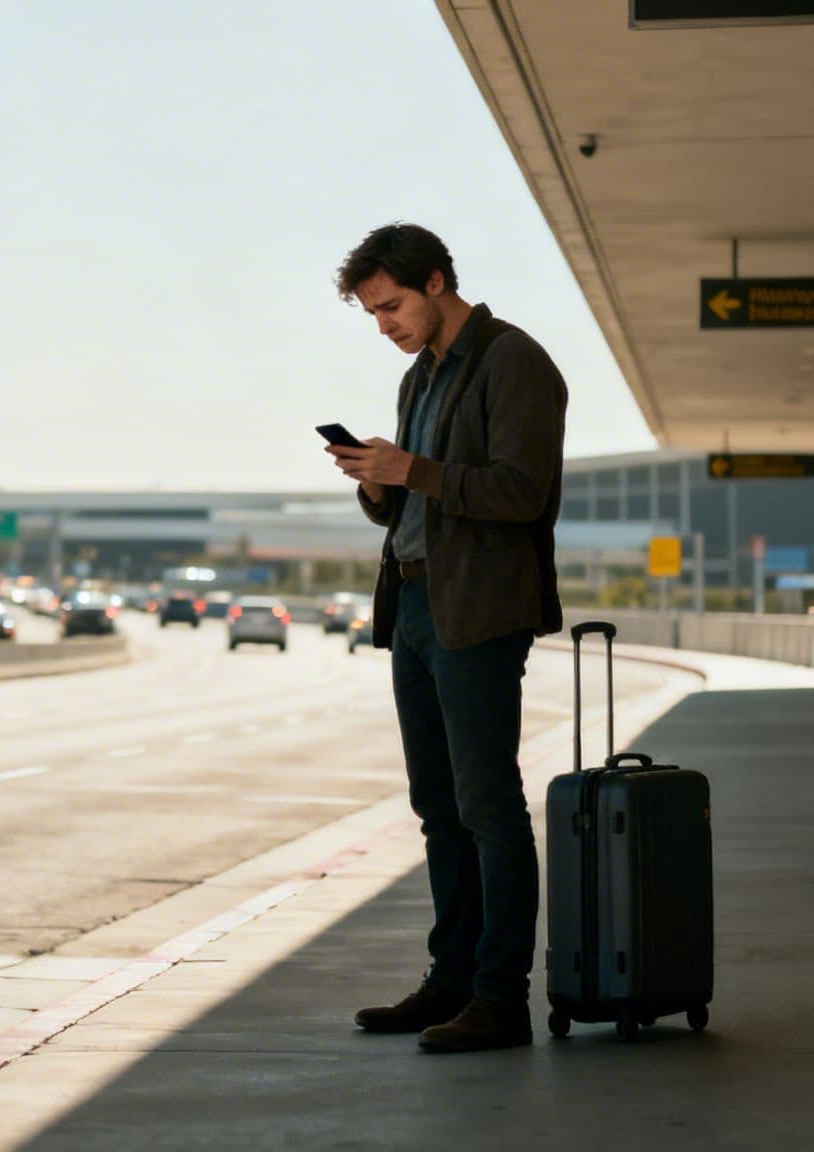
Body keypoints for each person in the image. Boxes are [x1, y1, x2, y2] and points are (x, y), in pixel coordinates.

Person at [326, 223, 567, 1053]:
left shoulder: (514, 361)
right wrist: (376, 480)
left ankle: (502, 999)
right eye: (371, 314)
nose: (384, 324)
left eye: (391, 306)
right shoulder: (417, 379)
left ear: (436, 282)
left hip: (481, 613)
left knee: (488, 807)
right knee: (437, 809)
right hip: (418, 607)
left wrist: (413, 472)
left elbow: (522, 492)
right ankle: (451, 981)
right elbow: (414, 503)